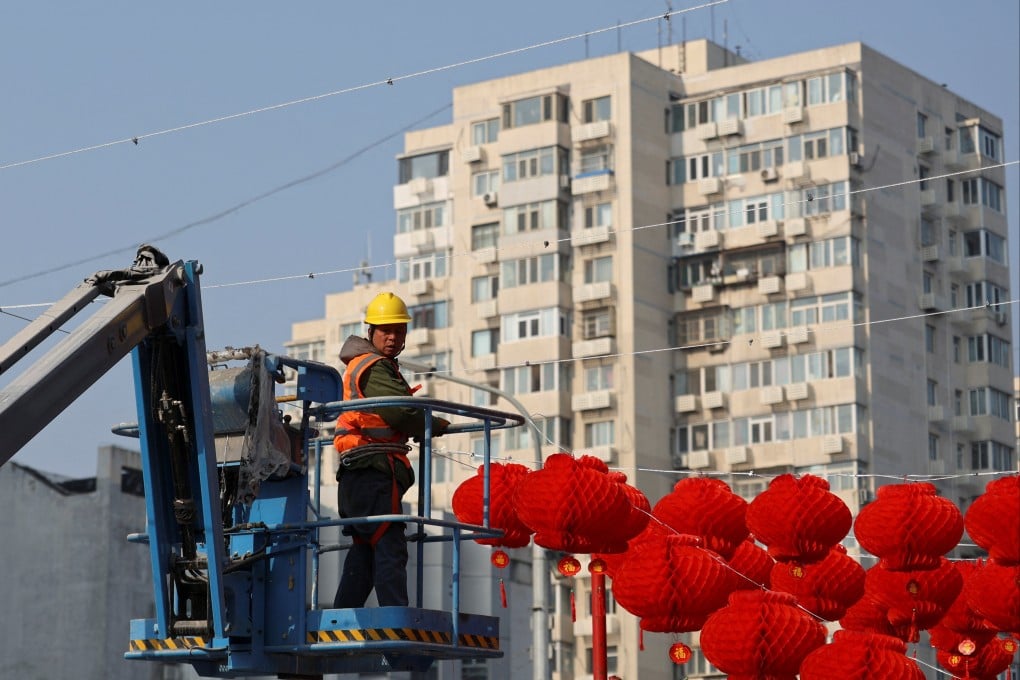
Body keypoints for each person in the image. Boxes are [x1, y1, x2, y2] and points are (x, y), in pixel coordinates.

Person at [332, 291, 449, 608]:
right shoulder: (376, 367)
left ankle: (342, 617)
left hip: (359, 475)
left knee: (366, 550)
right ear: (370, 331)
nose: (393, 337)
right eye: (386, 330)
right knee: (388, 545)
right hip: (373, 471)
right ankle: (395, 627)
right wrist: (435, 424)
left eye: (399, 330)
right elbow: (401, 412)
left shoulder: (369, 365)